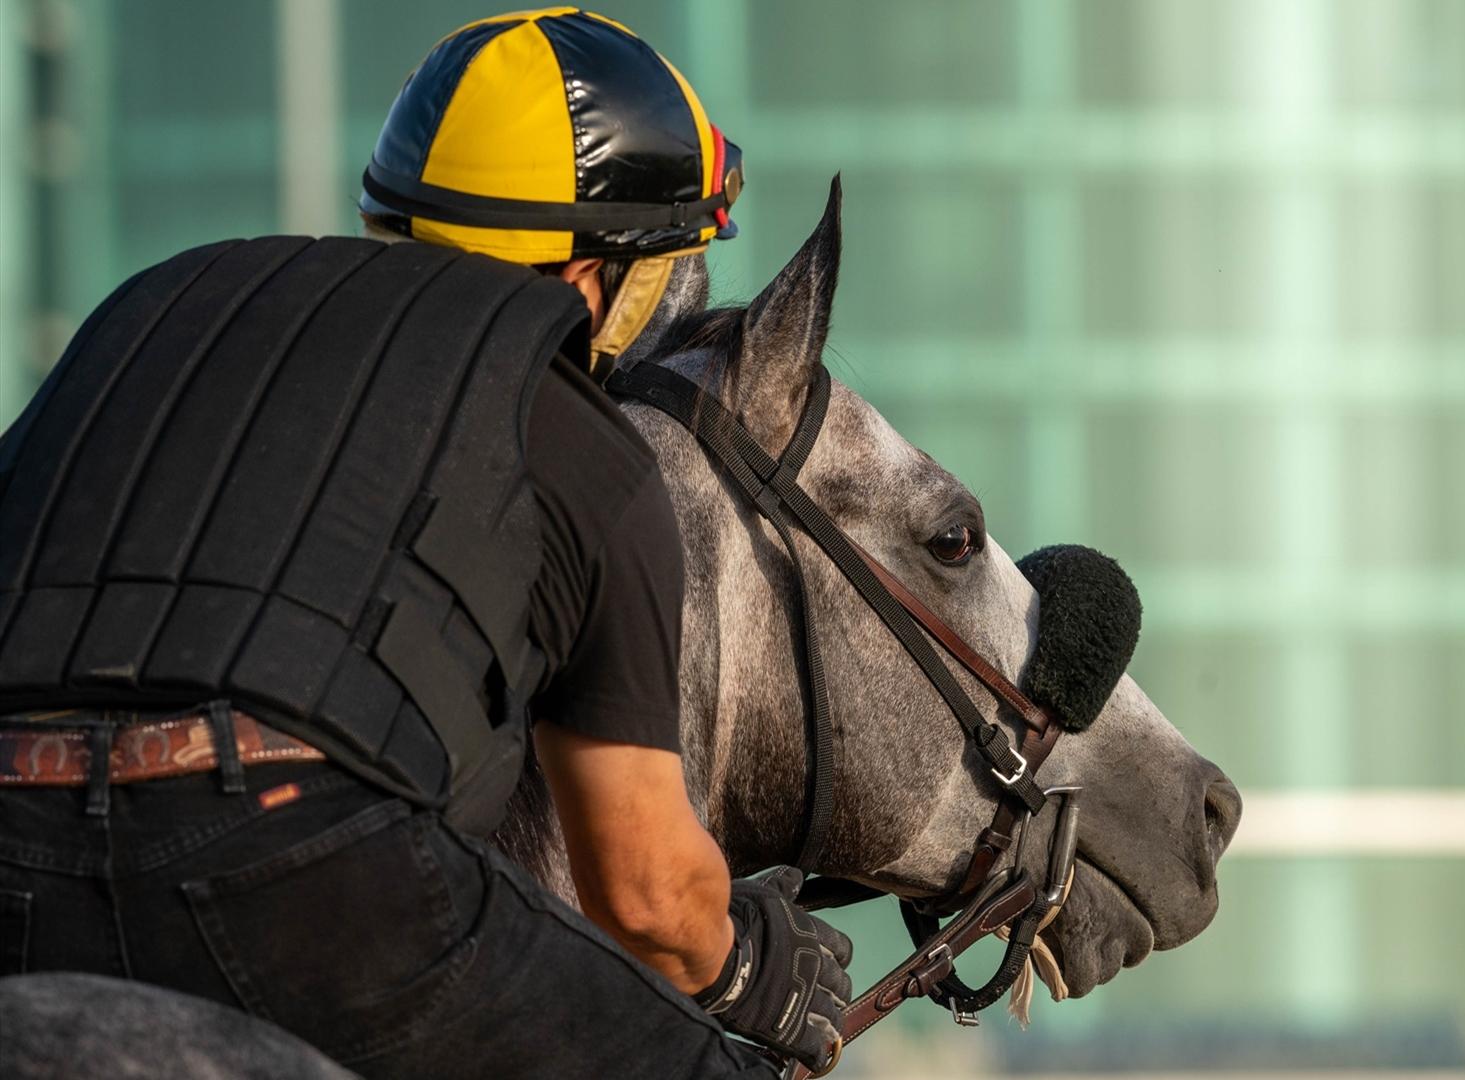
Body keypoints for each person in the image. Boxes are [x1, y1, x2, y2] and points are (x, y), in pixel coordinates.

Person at [0, 10, 848, 1078]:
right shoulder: (582, 443)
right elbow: (647, 899)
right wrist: (750, 969)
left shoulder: (153, 308)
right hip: (293, 863)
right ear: (596, 276)